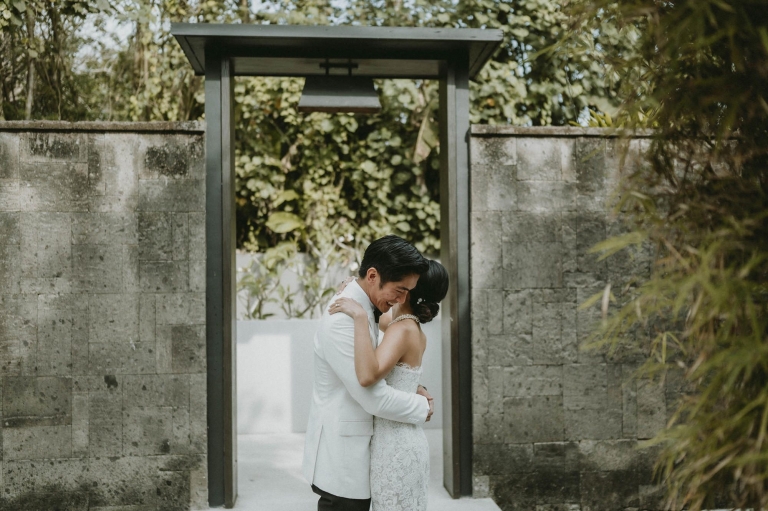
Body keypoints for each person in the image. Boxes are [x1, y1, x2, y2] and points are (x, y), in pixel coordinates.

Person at [302, 235, 434, 511]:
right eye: (399, 290)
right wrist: (421, 405)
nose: (402, 299)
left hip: (362, 453)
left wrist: (412, 384)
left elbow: (388, 358)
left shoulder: (365, 305)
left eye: (408, 292)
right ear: (373, 275)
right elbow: (371, 396)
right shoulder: (343, 320)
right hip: (342, 458)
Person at [329, 259, 449, 511]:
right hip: (400, 439)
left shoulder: (403, 329)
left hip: (396, 446)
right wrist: (355, 291)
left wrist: (360, 316)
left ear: (411, 288)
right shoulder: (405, 324)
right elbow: (380, 319)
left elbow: (368, 374)